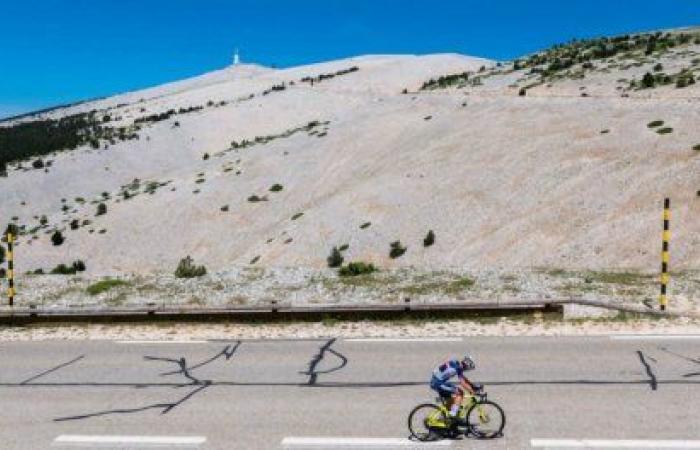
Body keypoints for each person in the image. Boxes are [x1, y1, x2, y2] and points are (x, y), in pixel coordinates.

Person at [429, 355, 476, 427]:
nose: (468, 369)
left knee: (451, 401)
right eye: (469, 367)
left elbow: (464, 378)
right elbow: (462, 382)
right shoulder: (458, 368)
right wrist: (472, 391)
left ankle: (446, 420)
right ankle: (453, 415)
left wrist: (472, 386)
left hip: (438, 381)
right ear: (467, 365)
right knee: (460, 393)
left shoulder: (456, 363)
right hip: (438, 383)